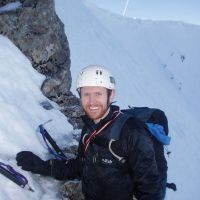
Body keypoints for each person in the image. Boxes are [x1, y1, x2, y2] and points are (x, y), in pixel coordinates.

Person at [16, 65, 162, 200]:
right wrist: (42, 166)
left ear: (110, 96)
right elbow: (81, 166)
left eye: (98, 94)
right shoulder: (90, 128)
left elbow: (150, 189)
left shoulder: (132, 132)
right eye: (86, 94)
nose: (91, 102)